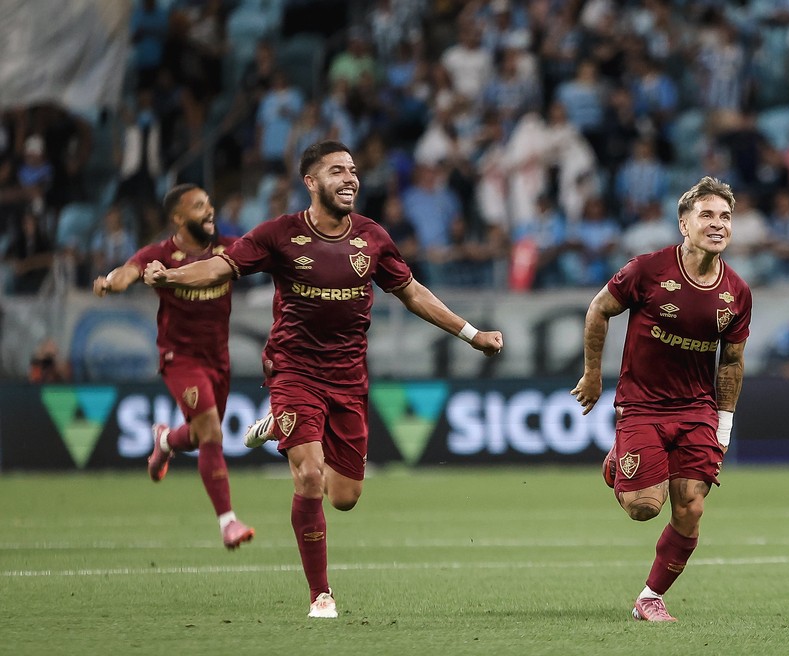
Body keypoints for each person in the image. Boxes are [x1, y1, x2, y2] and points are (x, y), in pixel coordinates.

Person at [143, 140, 504, 619]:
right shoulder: (279, 234)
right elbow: (221, 267)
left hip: (349, 379)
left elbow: (412, 293)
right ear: (311, 182)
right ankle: (321, 595)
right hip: (293, 371)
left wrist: (472, 334)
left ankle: (279, 426)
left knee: (345, 497)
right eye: (337, 171)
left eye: (353, 170)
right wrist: (173, 276)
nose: (350, 178)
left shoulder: (372, 238)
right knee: (309, 476)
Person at [570, 176, 751, 623]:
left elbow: (730, 363)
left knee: (690, 505)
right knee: (643, 508)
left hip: (697, 410)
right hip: (643, 405)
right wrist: (593, 374)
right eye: (707, 215)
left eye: (725, 217)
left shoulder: (738, 293)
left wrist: (724, 426)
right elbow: (599, 310)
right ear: (683, 224)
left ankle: (650, 597)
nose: (718, 224)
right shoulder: (647, 270)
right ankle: (620, 462)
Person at [92, 183, 254, 550]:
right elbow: (128, 272)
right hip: (180, 358)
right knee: (212, 431)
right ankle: (228, 522)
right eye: (199, 206)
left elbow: (267, 256)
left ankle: (165, 440)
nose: (209, 210)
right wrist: (110, 283)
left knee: (199, 435)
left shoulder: (229, 248)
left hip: (218, 359)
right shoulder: (160, 255)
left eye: (209, 203)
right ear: (178, 218)